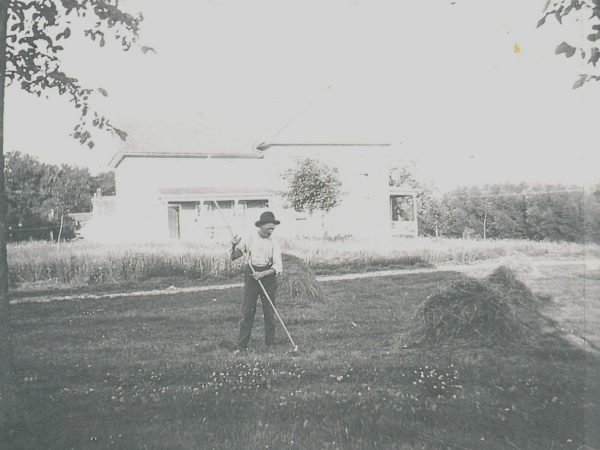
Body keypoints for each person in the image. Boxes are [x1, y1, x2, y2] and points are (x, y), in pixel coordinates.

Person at [231, 211, 283, 351]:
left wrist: (263, 274)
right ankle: (241, 346)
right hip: (251, 276)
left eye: (273, 228)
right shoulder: (250, 238)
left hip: (268, 277)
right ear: (262, 225)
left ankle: (270, 344)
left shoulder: (274, 242)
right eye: (269, 228)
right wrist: (233, 245)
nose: (271, 230)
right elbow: (235, 256)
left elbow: (278, 266)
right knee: (248, 311)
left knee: (269, 312)